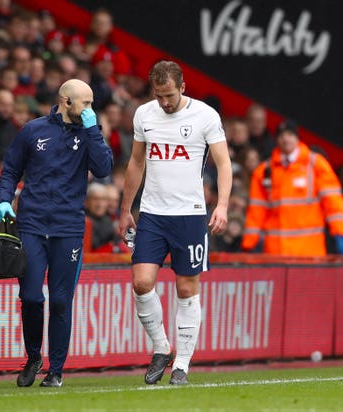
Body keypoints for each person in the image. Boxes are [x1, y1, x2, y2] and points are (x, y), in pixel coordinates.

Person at [118, 60, 232, 386]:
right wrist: (127, 208)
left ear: (182, 88)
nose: (164, 102)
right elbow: (136, 162)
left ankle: (181, 364)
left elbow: (224, 164)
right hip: (153, 213)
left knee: (186, 288)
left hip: (191, 215)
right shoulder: (144, 115)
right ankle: (161, 348)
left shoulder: (206, 116)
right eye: (159, 96)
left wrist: (221, 205)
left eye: (169, 95)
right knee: (141, 283)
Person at [0, 78, 113, 388]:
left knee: (61, 300)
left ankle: (56, 370)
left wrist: (92, 131)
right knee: (31, 296)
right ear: (66, 101)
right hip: (31, 223)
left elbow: (103, 169)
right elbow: (10, 170)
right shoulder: (33, 130)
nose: (90, 109)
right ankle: (34, 356)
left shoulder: (89, 133)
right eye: (84, 103)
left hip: (69, 227)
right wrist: (5, 200)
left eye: (91, 103)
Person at [242, 120, 343, 256]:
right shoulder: (264, 170)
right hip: (276, 250)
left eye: (290, 135)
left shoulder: (315, 164)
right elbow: (257, 209)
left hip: (309, 248)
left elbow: (332, 196)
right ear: (277, 140)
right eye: (281, 136)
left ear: (297, 138)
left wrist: (338, 226)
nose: (286, 139)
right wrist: (249, 241)